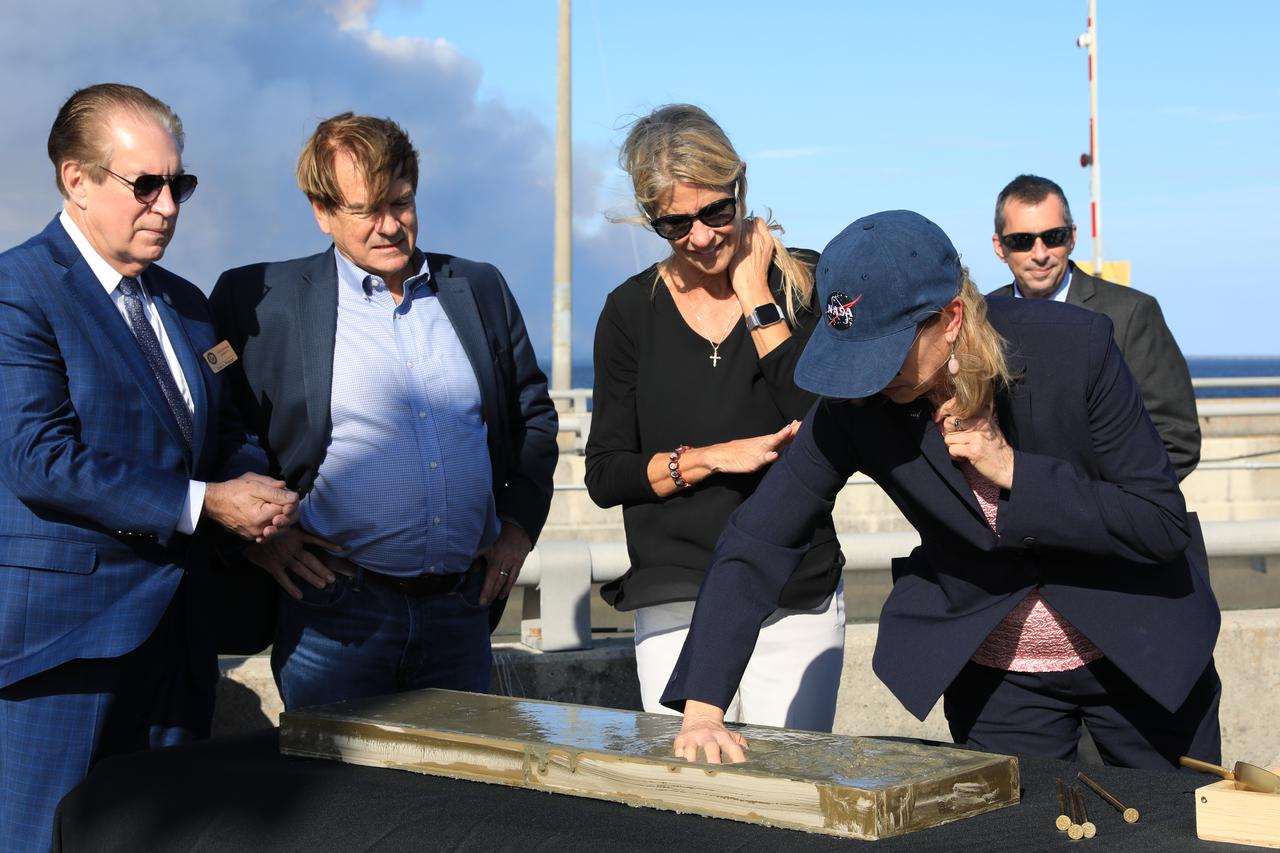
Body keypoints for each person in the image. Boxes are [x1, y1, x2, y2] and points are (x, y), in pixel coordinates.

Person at [665, 210, 1221, 770]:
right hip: (1001, 680)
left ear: (950, 318)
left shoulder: (1076, 349)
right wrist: (705, 708)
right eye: (854, 356)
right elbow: (759, 538)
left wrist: (1014, 471)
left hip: (1141, 649)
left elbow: (1159, 521)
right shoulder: (857, 402)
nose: (872, 379)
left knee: (1173, 830)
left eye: (886, 354)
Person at [0, 83, 296, 853]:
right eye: (146, 185)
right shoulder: (17, 291)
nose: (166, 205)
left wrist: (252, 489)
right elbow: (39, 458)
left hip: (180, 642)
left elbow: (228, 427)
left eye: (179, 184)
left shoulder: (190, 306)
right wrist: (206, 502)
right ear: (76, 180)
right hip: (67, 648)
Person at [210, 112, 558, 711]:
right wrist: (257, 540)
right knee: (338, 803)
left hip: (460, 613)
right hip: (335, 617)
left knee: (458, 799)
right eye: (366, 210)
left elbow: (533, 415)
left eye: (402, 202)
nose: (390, 226)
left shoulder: (479, 289)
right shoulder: (258, 300)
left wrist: (518, 529)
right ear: (322, 212)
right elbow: (217, 426)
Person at [584, 104, 845, 730]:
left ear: (740, 185)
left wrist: (757, 295)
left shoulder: (805, 284)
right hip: (674, 599)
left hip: (794, 592)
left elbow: (827, 427)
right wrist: (707, 459)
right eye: (675, 225)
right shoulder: (628, 313)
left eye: (715, 212)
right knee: (690, 809)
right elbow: (605, 474)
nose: (700, 237)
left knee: (793, 799)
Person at [987, 174, 1200, 481]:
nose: (1040, 253)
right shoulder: (981, 319)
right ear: (999, 246)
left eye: (1053, 237)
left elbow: (1176, 438)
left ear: (1072, 237)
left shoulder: (1131, 314)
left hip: (1107, 521)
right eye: (1021, 241)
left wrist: (1104, 510)